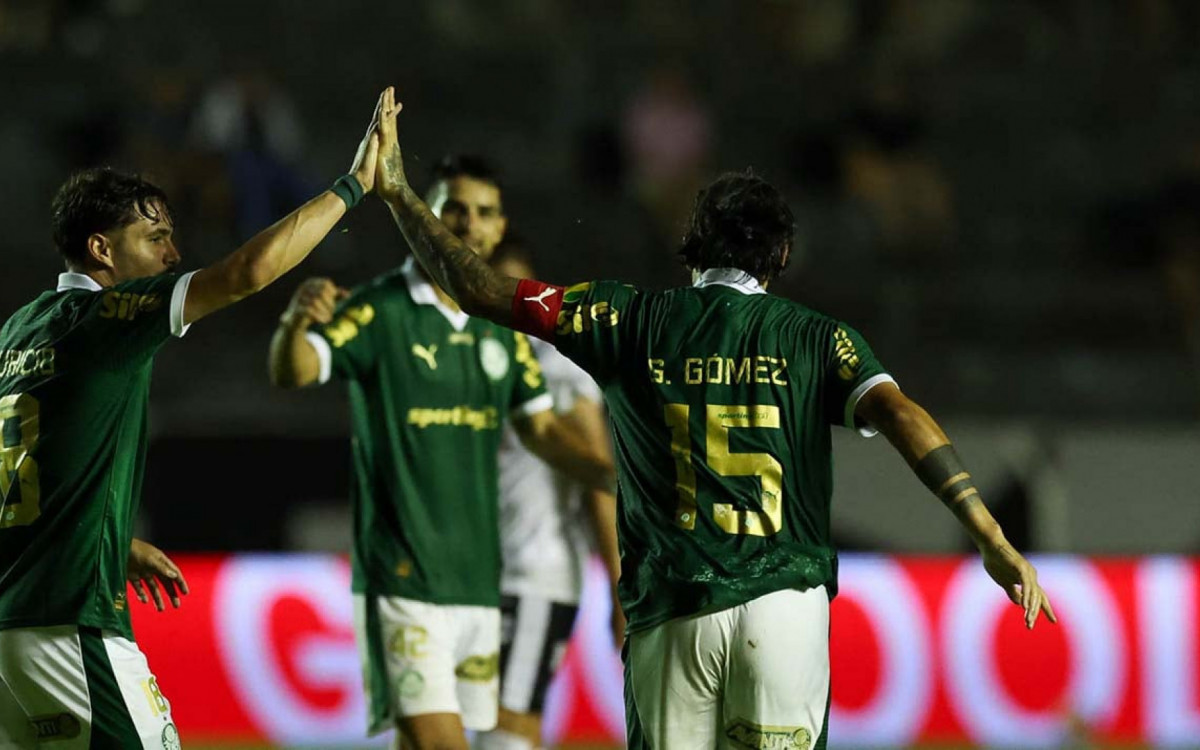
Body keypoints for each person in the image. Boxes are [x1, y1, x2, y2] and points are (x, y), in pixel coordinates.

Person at [368, 88, 1057, 749]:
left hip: (675, 613)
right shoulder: (820, 339)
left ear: (690, 245)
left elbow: (479, 288)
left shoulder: (625, 318)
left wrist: (398, 190)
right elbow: (903, 415)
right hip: (785, 609)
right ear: (782, 255)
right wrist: (989, 534)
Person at [0, 88, 385, 749]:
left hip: (15, 631)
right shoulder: (104, 321)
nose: (172, 255)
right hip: (74, 628)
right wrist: (354, 186)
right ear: (102, 249)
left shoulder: (19, 331)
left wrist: (111, 546)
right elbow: (248, 271)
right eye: (154, 238)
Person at [268, 156, 613, 750]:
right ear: (428, 215)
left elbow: (545, 435)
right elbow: (294, 371)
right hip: (405, 578)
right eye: (455, 208)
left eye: (484, 213)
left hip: (478, 585)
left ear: (500, 229)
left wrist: (627, 476)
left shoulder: (502, 334)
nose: (469, 223)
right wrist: (295, 325)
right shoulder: (382, 309)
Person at [476, 239, 623, 750]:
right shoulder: (464, 358)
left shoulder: (558, 364)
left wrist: (621, 588)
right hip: (470, 571)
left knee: (506, 726)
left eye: (514, 290)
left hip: (533, 570)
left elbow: (599, 479)